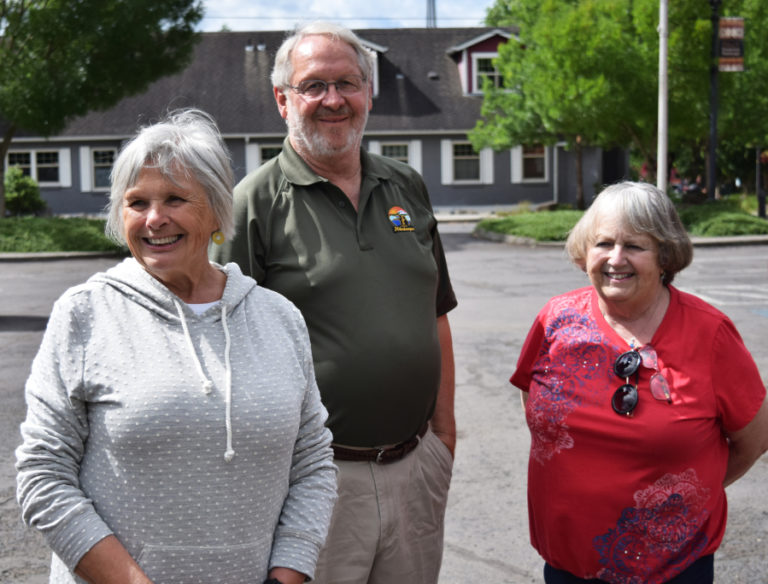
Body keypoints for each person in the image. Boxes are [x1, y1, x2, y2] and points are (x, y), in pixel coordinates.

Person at [16, 109, 337, 584]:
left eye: (174, 199)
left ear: (216, 209)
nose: (154, 219)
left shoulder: (278, 318)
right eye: (136, 202)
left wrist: (287, 576)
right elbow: (43, 476)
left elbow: (313, 464)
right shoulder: (85, 314)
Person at [211, 21, 457, 584]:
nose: (333, 100)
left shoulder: (406, 187)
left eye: (347, 83)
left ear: (369, 92)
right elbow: (224, 349)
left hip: (416, 464)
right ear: (282, 99)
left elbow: (435, 311)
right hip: (317, 479)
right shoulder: (253, 204)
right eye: (313, 85)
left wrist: (444, 438)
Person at [510, 181, 768, 584]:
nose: (616, 258)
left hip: (671, 569)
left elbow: (754, 436)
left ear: (665, 255)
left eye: (634, 246)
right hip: (566, 565)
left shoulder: (710, 333)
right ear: (585, 252)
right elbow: (536, 406)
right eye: (603, 243)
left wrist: (689, 491)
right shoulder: (554, 320)